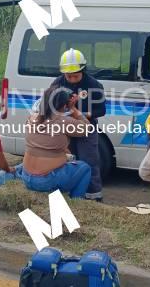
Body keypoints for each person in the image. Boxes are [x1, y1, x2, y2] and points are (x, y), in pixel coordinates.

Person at [51, 48, 106, 202]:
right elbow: (50, 104)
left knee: (89, 161)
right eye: (68, 76)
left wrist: (79, 112)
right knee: (68, 160)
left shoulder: (94, 84)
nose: (72, 79)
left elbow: (101, 110)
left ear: (83, 70)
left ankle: (94, 196)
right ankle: (73, 194)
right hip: (66, 129)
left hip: (87, 128)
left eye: (75, 75)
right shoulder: (58, 83)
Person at [20, 87, 92, 199]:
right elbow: (87, 128)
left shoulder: (31, 118)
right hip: (45, 181)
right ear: (64, 106)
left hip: (26, 177)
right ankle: (76, 201)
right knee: (84, 167)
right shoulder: (63, 122)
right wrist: (73, 109)